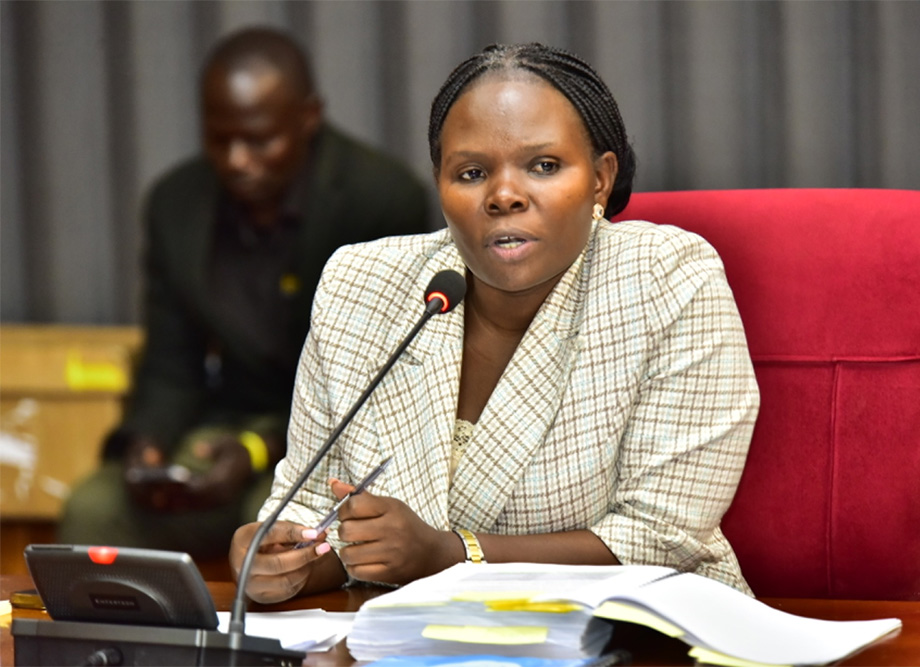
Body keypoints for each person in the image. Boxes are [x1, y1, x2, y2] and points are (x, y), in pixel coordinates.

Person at [230, 42, 759, 603]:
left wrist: (453, 555)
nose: (504, 196)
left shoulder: (667, 279)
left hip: (642, 632)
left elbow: (662, 537)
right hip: (411, 640)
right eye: (473, 172)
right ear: (440, 186)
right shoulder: (361, 286)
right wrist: (279, 561)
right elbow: (316, 512)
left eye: (544, 166)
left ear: (602, 180)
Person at [57, 27, 429, 559]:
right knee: (96, 508)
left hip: (329, 436)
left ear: (308, 118)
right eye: (219, 138)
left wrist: (258, 451)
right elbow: (170, 362)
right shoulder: (176, 205)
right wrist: (148, 447)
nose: (236, 159)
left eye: (259, 140)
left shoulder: (378, 199)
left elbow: (375, 380)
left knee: (278, 524)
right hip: (225, 422)